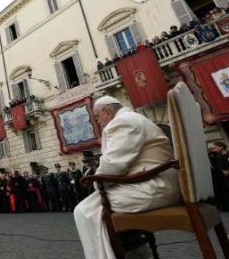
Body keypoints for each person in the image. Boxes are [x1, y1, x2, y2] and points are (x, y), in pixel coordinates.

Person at [74, 96, 181, 259]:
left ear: (107, 112)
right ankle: (137, 253)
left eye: (97, 117)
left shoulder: (122, 123)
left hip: (155, 187)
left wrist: (97, 183)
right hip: (157, 182)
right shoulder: (135, 118)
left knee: (85, 210)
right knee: (91, 206)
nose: (98, 122)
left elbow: (112, 166)